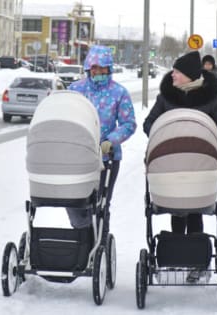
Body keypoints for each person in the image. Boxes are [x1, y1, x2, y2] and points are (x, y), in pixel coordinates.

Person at [143, 50, 217, 236]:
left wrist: (210, 139)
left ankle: (195, 245)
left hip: (201, 161)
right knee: (176, 204)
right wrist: (162, 137)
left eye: (177, 72)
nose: (171, 74)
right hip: (172, 160)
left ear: (189, 76)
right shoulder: (165, 98)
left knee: (195, 207)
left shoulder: (211, 101)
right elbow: (149, 124)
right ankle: (178, 245)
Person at [66, 45, 137, 237]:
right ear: (88, 68)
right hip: (78, 157)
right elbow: (66, 116)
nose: (98, 72)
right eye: (94, 68)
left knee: (101, 203)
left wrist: (111, 140)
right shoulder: (75, 90)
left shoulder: (119, 93)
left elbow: (128, 123)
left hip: (106, 158)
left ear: (109, 68)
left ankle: (101, 242)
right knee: (75, 202)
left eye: (102, 68)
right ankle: (81, 238)